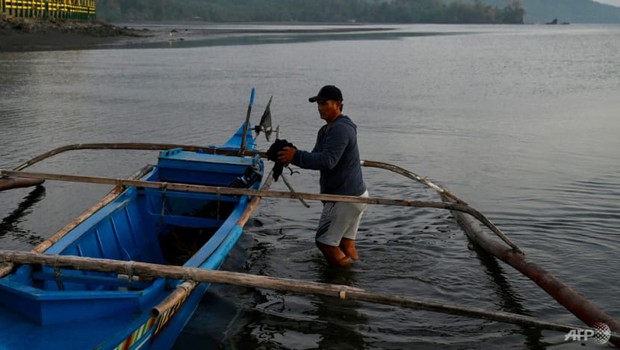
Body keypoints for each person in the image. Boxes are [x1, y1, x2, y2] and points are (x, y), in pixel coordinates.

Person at [278, 85, 368, 267]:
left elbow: (328, 161)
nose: (319, 107)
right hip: (356, 195)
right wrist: (292, 156)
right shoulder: (326, 130)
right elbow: (315, 157)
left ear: (338, 104)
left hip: (343, 197)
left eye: (323, 103)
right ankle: (358, 271)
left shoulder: (341, 129)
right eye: (318, 103)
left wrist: (295, 156)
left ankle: (345, 280)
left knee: (325, 243)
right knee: (345, 243)